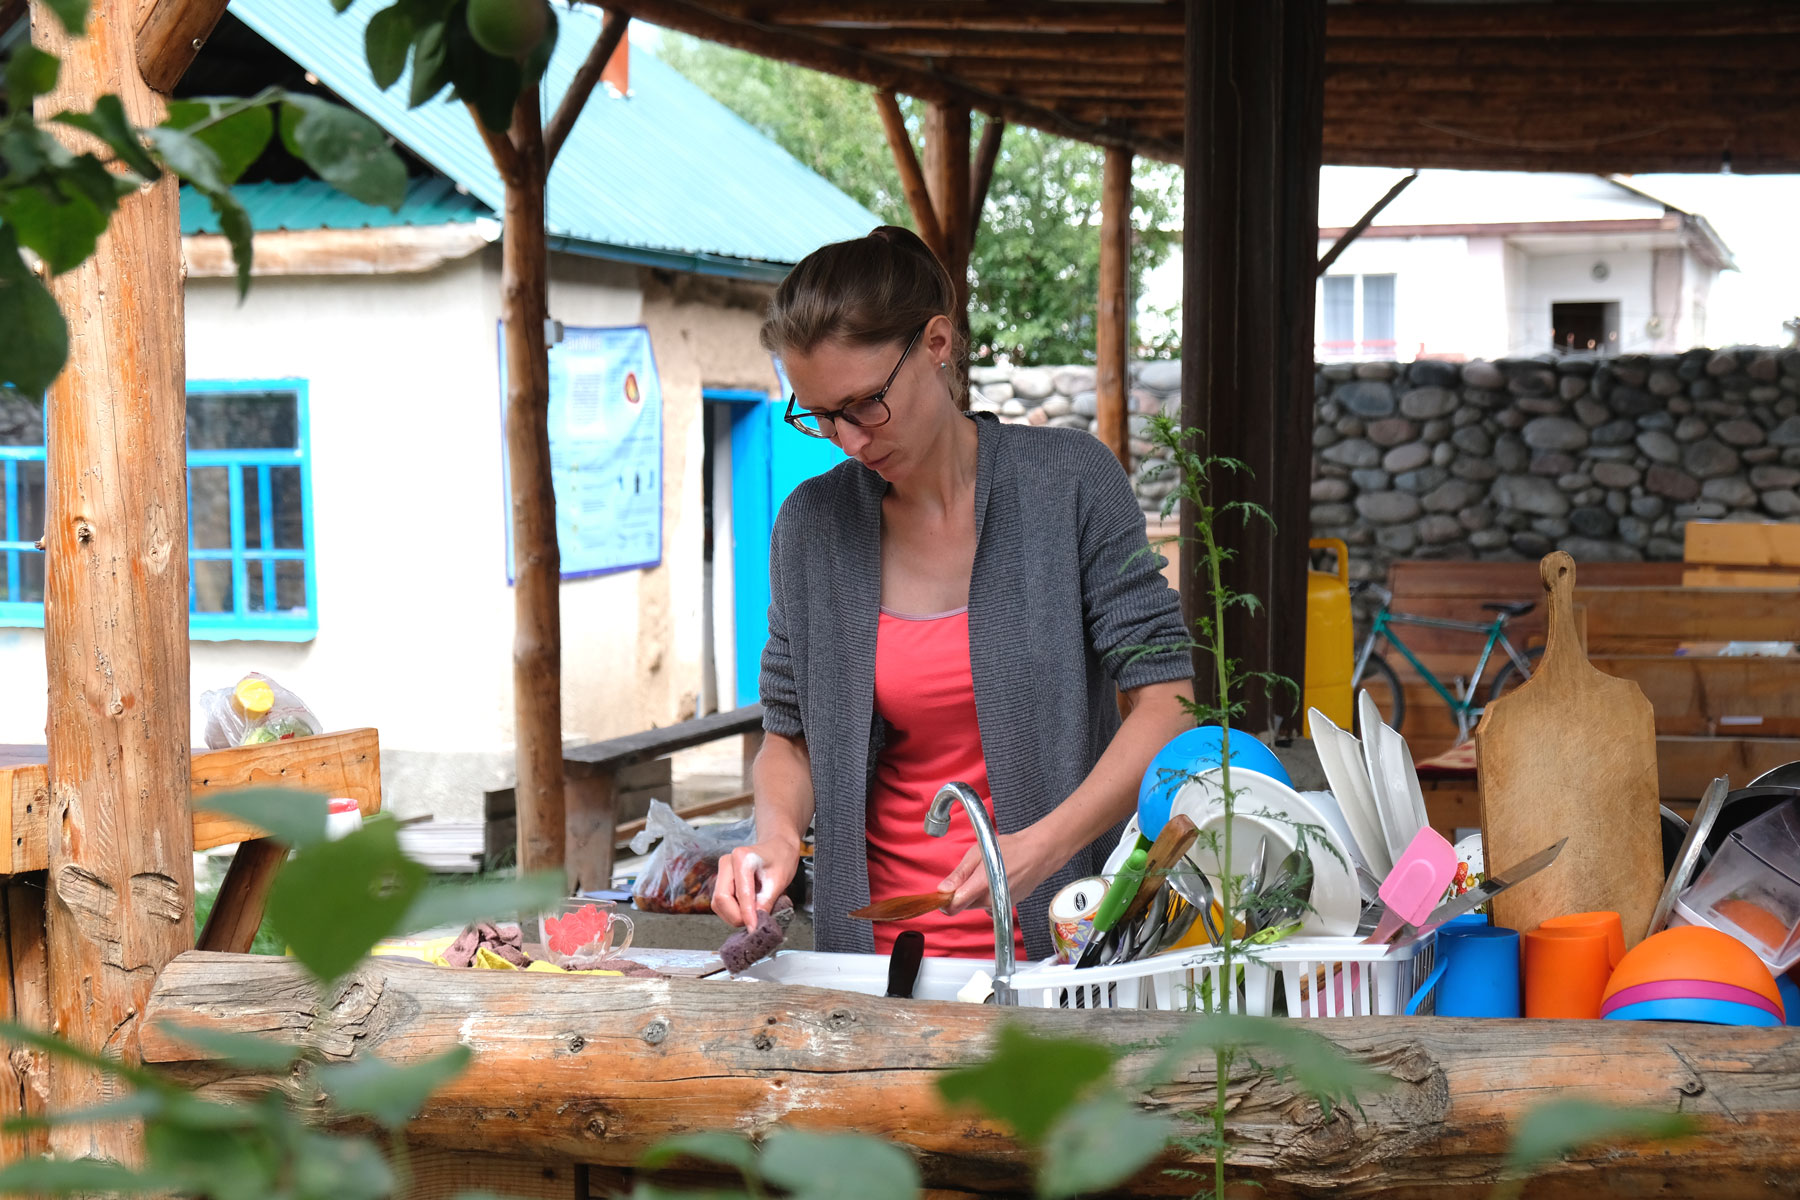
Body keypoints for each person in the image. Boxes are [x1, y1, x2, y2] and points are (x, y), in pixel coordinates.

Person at [712, 226, 1195, 963]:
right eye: (820, 415)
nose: (849, 440)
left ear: (936, 343)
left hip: (1062, 957)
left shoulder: (1069, 485)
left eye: (866, 402)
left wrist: (1042, 846)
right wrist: (775, 836)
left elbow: (1167, 704)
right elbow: (790, 739)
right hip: (871, 966)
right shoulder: (811, 526)